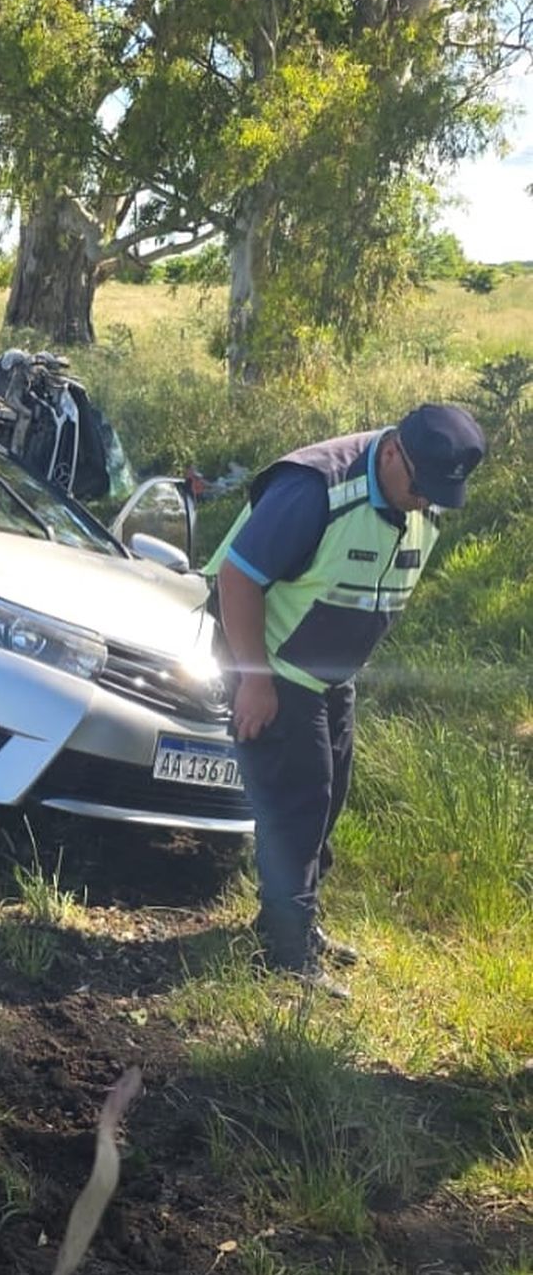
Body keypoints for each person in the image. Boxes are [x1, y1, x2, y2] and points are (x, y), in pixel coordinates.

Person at [206, 405, 487, 996]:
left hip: (330, 674)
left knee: (328, 799)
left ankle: (298, 925)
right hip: (273, 663)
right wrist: (255, 680)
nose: (424, 502)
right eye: (419, 487)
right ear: (391, 454)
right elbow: (236, 579)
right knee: (298, 806)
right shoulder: (315, 491)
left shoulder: (419, 492)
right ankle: (285, 956)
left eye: (438, 492)